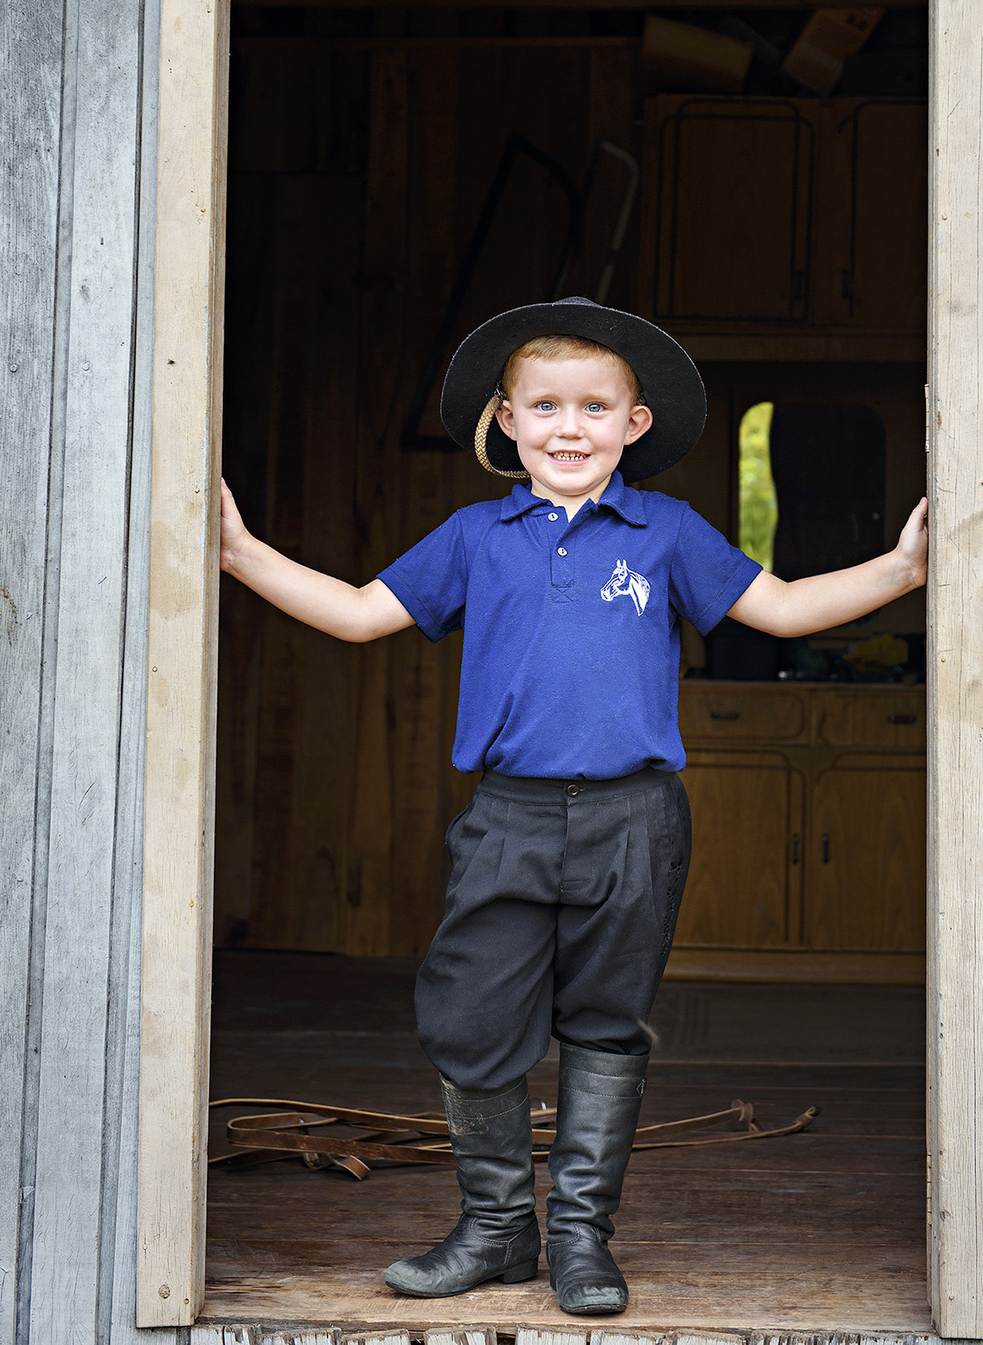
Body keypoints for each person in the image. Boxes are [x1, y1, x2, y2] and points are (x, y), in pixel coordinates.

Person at [220, 296, 928, 1317]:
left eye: (594, 408)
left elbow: (780, 609)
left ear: (633, 426)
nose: (568, 427)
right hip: (506, 817)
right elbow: (361, 614)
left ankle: (582, 1241)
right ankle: (498, 1230)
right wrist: (239, 552)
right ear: (506, 421)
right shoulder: (475, 536)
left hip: (635, 821)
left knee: (603, 1025)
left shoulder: (667, 530)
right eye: (545, 405)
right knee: (469, 1017)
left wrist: (904, 568)